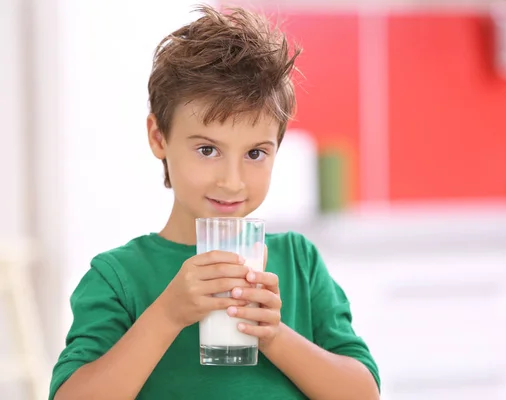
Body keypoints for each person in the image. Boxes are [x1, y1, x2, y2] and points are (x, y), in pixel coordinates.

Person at [49, 4, 380, 400]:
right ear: (158, 138)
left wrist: (273, 335)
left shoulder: (299, 262)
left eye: (255, 153)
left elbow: (363, 393)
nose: (231, 180)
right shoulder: (118, 277)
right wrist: (166, 315)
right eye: (208, 150)